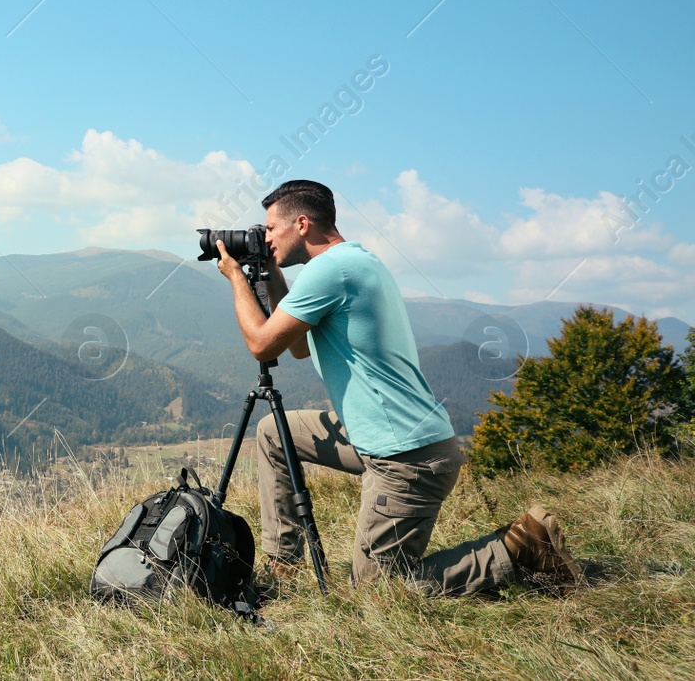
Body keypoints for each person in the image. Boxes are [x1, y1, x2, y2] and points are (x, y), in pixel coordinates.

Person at [212, 178, 583, 595]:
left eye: (270, 230)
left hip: (407, 459)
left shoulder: (329, 271)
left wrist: (235, 279)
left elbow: (262, 345)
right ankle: (286, 562)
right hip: (383, 437)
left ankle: (520, 548)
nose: (265, 239)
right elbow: (296, 347)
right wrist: (273, 274)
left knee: (375, 594)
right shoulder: (354, 262)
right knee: (274, 434)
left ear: (301, 224)